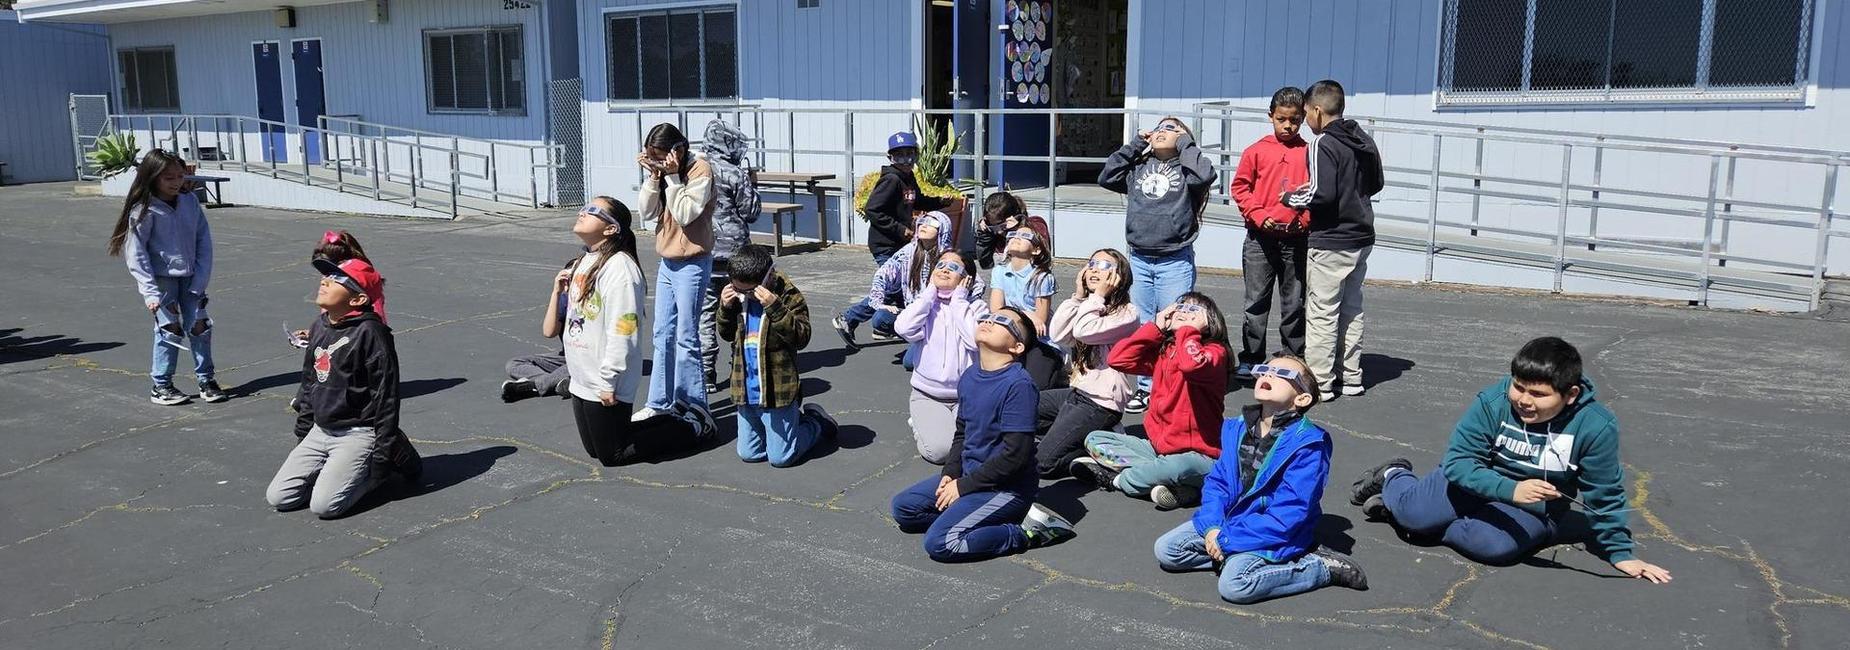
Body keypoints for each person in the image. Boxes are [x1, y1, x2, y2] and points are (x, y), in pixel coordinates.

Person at [1349, 337, 1673, 584]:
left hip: (1530, 506)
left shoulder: (1594, 425)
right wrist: (1511, 489)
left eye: (1538, 395)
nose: (1523, 400)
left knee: (1494, 548)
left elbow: (1605, 490)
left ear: (1570, 394)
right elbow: (1459, 463)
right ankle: (1394, 475)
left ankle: (1430, 521)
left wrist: (1620, 553)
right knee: (1413, 516)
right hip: (1470, 482)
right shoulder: (1493, 402)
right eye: (1519, 388)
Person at [1153, 353, 1370, 603]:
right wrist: (1213, 527)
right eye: (1264, 370)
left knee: (1235, 585)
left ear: (1302, 398)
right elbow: (1218, 483)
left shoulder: (1308, 443)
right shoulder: (1235, 428)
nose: (1268, 375)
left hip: (1273, 531)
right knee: (1167, 550)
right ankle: (1233, 555)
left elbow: (1290, 512)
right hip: (1230, 522)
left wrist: (1227, 540)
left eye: (1283, 374)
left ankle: (1318, 568)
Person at [890, 307, 1077, 562]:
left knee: (942, 542)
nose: (989, 321)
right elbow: (962, 433)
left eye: (1001, 321)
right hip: (970, 477)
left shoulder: (1018, 385)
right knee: (904, 509)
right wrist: (950, 474)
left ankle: (1026, 532)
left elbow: (1016, 455)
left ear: (1017, 347)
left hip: (1006, 489)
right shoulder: (970, 375)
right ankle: (972, 517)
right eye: (987, 317)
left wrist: (963, 487)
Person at [565, 198, 714, 467]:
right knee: (595, 450)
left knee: (613, 454)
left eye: (593, 211)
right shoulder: (584, 261)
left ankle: (692, 427)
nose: (582, 212)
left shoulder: (620, 269)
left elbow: (625, 327)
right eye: (584, 207)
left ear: (611, 229)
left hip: (605, 377)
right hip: (582, 376)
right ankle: (671, 417)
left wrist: (609, 379)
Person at [265, 256, 412, 518]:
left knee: (325, 506)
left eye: (337, 280)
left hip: (358, 432)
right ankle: (338, 470)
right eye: (326, 276)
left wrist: (381, 452)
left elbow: (386, 397)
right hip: (321, 429)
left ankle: (387, 460)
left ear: (357, 300)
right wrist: (303, 432)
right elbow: (310, 382)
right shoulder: (319, 326)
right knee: (280, 497)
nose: (325, 281)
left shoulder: (372, 333)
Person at [1098, 116, 1216, 413]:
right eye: (1160, 128)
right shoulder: (1139, 167)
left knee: (1175, 324)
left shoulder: (1186, 168)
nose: (1164, 132)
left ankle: (1173, 381)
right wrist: (1138, 142)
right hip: (1139, 257)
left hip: (1174, 259)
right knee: (1145, 324)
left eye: (1172, 129)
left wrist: (1185, 142)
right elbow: (1107, 175)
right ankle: (1146, 387)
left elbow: (1204, 175)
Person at [1072, 292, 1229, 510]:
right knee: (1095, 439)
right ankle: (1178, 487)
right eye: (1179, 307)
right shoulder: (1166, 352)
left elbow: (1191, 365)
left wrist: (1189, 332)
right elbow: (1118, 358)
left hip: (1201, 457)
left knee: (1179, 465)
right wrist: (1156, 326)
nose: (1183, 312)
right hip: (1158, 449)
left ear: (1209, 320)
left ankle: (1118, 480)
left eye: (1193, 310)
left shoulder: (1214, 354)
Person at [1283, 79, 1383, 401]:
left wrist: (1290, 198)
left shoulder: (1322, 143)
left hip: (1332, 239)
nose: (1305, 122)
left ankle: (1320, 383)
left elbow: (1320, 193)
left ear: (1316, 110)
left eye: (1305, 114)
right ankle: (1351, 377)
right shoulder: (1361, 138)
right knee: (1352, 308)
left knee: (1322, 311)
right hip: (1361, 235)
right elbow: (1376, 183)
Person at [107, 149, 224, 405]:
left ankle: (206, 379)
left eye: (180, 176)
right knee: (168, 330)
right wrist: (149, 291)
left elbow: (203, 239)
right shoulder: (144, 210)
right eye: (168, 177)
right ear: (152, 177)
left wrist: (201, 277)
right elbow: (136, 254)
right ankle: (162, 385)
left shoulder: (190, 202)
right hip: (163, 281)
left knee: (200, 327)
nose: (176, 182)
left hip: (192, 278)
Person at [717, 244, 840, 466]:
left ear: (768, 277)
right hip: (746, 390)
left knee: (781, 458)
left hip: (777, 392)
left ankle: (816, 423)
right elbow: (726, 334)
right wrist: (725, 308)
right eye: (738, 289)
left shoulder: (788, 296)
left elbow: (801, 337)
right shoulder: (737, 296)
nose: (745, 295)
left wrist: (775, 307)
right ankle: (787, 428)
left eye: (750, 291)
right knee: (749, 454)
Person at [1033, 248, 1140, 478]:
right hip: (1077, 393)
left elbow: (1084, 331)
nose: (1094, 269)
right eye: (1091, 263)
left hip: (1100, 403)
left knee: (1043, 463)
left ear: (1119, 276)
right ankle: (1078, 433)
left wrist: (1097, 297)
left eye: (1104, 266)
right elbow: (1059, 334)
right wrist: (1079, 297)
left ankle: (1096, 449)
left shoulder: (1128, 314)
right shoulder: (1089, 304)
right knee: (1027, 405)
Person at [636, 123, 717, 420]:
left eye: (661, 156)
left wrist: (671, 177)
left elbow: (685, 213)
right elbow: (645, 212)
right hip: (668, 261)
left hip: (693, 262)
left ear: (678, 150)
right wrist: (653, 177)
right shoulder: (665, 173)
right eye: (652, 157)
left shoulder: (700, 170)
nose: (658, 161)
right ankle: (658, 402)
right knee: (662, 334)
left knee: (686, 336)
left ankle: (693, 405)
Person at [1229, 87, 1311, 378]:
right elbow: (1240, 187)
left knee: (1294, 302)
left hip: (1296, 239)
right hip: (1259, 239)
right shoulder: (1256, 151)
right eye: (1281, 119)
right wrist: (1258, 214)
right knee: (1255, 302)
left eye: (1294, 120)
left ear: (1302, 117)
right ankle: (1251, 357)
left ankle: (1292, 358)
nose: (1288, 126)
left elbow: (1316, 192)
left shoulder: (1309, 152)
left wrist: (1305, 218)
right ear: (1270, 117)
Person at [894, 250, 988, 464]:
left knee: (978, 449)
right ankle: (921, 424)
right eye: (941, 265)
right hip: (928, 394)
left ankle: (936, 426)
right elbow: (903, 327)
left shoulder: (976, 307)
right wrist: (928, 295)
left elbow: (974, 341)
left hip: (966, 397)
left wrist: (958, 303)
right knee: (941, 453)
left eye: (954, 267)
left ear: (967, 279)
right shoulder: (925, 306)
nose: (945, 269)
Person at [698, 120, 762, 395]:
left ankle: (706, 371)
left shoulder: (695, 169)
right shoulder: (735, 172)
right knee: (740, 309)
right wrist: (753, 184)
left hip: (703, 249)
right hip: (735, 252)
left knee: (706, 312)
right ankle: (740, 364)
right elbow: (751, 212)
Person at [834, 212, 954, 351]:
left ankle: (929, 340)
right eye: (923, 221)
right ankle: (912, 336)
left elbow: (976, 284)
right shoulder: (910, 251)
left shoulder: (949, 257)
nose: (924, 225)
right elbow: (883, 274)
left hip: (938, 316)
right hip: (885, 245)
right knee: (884, 309)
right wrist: (879, 303)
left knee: (911, 362)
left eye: (932, 223)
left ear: (943, 230)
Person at [861, 131, 948, 266]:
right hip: (886, 245)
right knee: (893, 284)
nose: (906, 160)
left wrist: (940, 202)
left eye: (909, 154)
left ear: (916, 155)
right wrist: (901, 229)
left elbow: (918, 200)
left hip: (900, 244)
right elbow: (872, 210)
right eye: (899, 156)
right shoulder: (891, 180)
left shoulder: (908, 177)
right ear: (890, 158)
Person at [501, 257, 577, 402]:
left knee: (578, 366)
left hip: (587, 358)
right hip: (566, 357)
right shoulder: (564, 299)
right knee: (514, 364)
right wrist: (556, 293)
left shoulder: (593, 303)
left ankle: (533, 386)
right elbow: (549, 332)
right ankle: (559, 383)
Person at [972, 192, 1026, 270]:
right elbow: (986, 265)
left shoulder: (1037, 225)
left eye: (1003, 226)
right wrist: (985, 234)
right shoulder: (993, 234)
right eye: (993, 227)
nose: (999, 232)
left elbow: (1036, 259)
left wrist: (1016, 230)